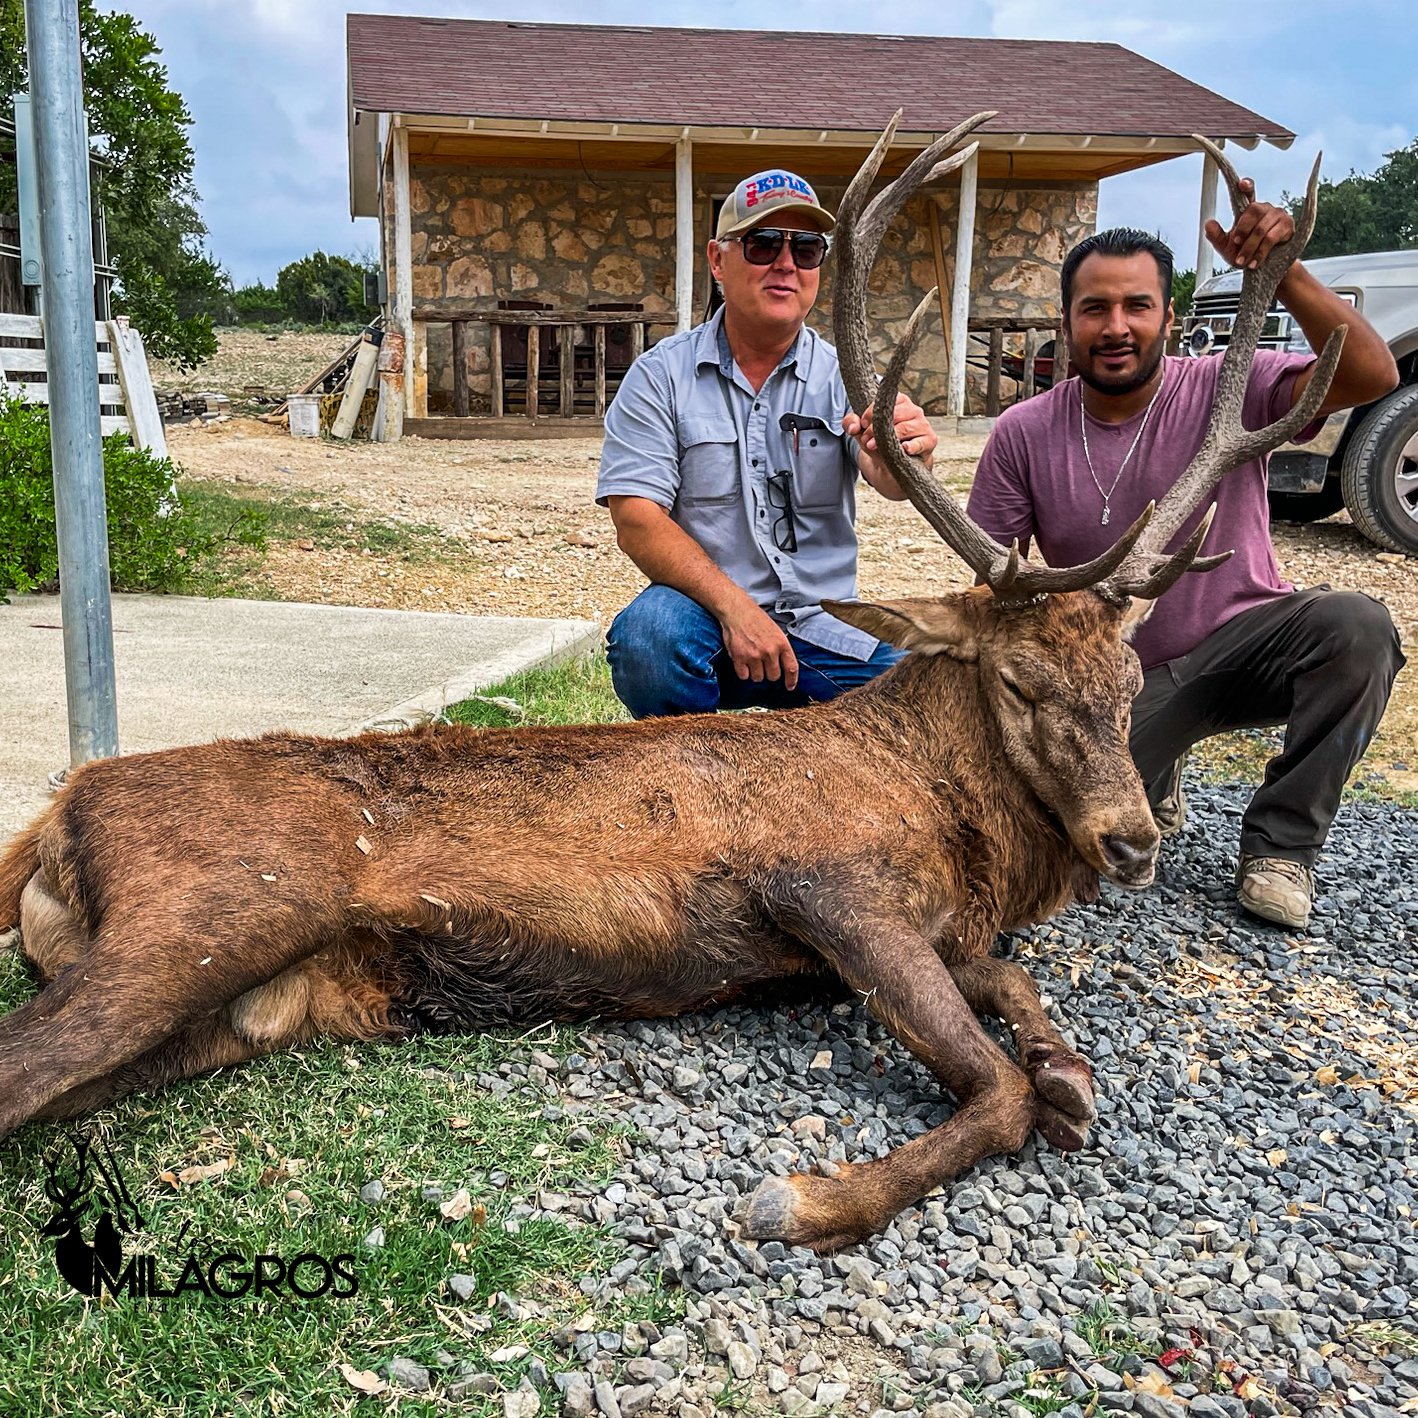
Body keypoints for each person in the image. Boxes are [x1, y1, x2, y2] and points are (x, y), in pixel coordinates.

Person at [966, 183, 1403, 930]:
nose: (1116, 326)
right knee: (1034, 827)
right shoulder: (1023, 433)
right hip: (1115, 680)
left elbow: (1372, 375)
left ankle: (1281, 849)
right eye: (1094, 308)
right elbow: (993, 587)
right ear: (1066, 322)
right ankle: (1154, 771)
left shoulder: (1231, 386)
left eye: (1137, 305)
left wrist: (1289, 271)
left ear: (1169, 316)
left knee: (1357, 627)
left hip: (1246, 643)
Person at [596, 167, 938, 718]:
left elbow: (890, 481)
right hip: (705, 619)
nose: (785, 264)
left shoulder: (848, 375)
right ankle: (690, 777)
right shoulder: (660, 375)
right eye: (762, 243)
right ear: (717, 261)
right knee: (650, 640)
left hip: (822, 623)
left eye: (806, 249)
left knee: (929, 686)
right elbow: (637, 518)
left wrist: (904, 455)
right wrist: (738, 611)